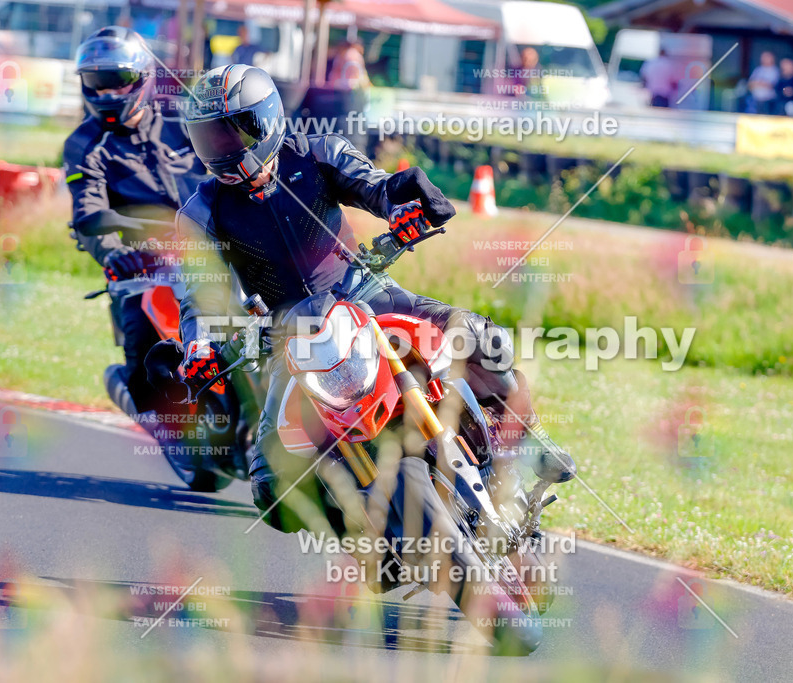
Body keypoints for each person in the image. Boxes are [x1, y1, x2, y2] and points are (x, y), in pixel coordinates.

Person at [175, 65, 576, 528]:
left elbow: (375, 186)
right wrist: (200, 344)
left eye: (229, 135)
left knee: (481, 338)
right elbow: (198, 293)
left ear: (264, 122)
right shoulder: (200, 211)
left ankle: (530, 442)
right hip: (289, 334)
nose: (220, 150)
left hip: (364, 290)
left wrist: (404, 209)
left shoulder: (316, 153)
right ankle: (364, 534)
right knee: (271, 489)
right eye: (209, 139)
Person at [63, 27, 209, 451]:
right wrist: (116, 256)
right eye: (96, 83)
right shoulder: (84, 146)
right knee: (144, 339)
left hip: (214, 253)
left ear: (144, 77)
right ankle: (155, 413)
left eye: (118, 81)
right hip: (143, 264)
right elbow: (87, 214)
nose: (107, 92)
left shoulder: (186, 128)